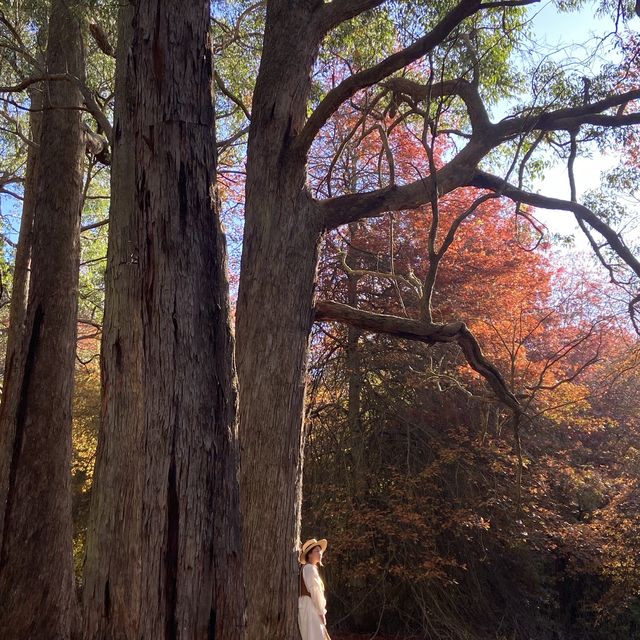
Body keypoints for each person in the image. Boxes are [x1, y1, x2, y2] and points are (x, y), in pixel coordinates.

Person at [298, 538, 330, 640]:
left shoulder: (310, 568)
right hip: (310, 607)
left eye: (320, 550)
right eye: (316, 551)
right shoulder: (309, 568)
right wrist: (321, 612)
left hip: (309, 606)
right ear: (309, 554)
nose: (320, 553)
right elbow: (315, 592)